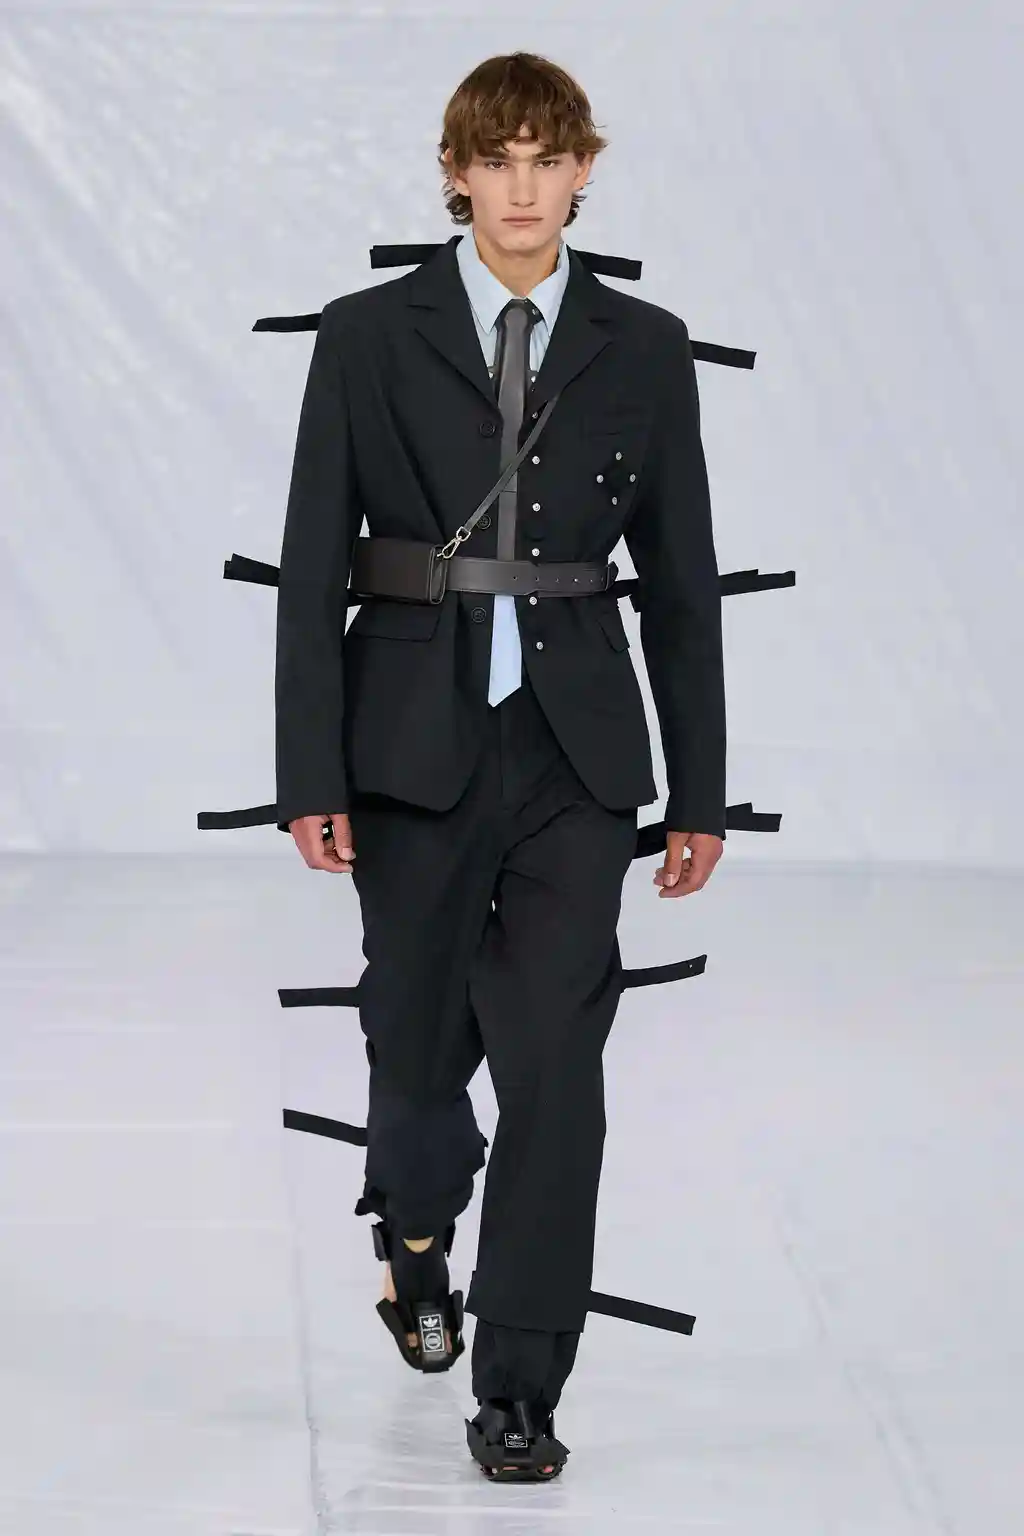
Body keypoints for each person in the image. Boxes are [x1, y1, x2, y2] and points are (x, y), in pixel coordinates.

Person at [274, 51, 726, 1481]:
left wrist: (699, 790)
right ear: (455, 174)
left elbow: (682, 581)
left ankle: (521, 1386)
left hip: (575, 749)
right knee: (414, 1064)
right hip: (409, 739)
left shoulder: (643, 346)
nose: (522, 188)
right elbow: (311, 564)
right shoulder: (367, 335)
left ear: (585, 171)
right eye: (497, 159)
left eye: (548, 159)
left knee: (555, 1071)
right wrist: (308, 774)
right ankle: (417, 1241)